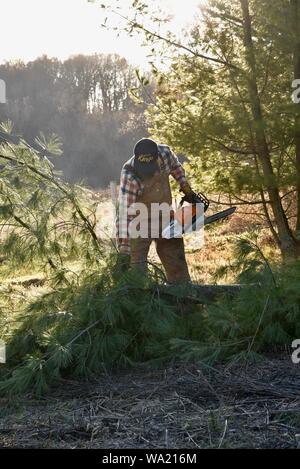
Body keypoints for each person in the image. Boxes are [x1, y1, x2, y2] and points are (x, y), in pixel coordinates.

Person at [116, 138, 199, 283]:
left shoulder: (165, 154)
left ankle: (183, 299)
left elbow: (176, 167)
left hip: (166, 217)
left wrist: (185, 185)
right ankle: (141, 300)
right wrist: (124, 249)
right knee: (137, 273)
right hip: (139, 223)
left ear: (157, 159)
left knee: (177, 267)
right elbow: (124, 213)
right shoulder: (130, 175)